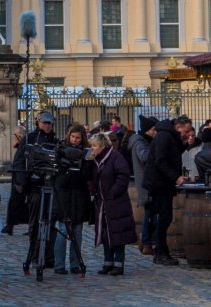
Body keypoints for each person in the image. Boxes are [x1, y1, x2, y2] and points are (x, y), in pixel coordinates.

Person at [10, 111, 59, 265]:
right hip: (35, 186)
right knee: (36, 223)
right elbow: (18, 161)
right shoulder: (30, 138)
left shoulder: (56, 141)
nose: (47, 125)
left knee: (51, 223)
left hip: (52, 186)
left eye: (49, 123)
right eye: (44, 123)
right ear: (38, 123)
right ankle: (35, 255)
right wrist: (22, 183)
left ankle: (49, 256)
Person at [143, 115, 191, 266]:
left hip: (163, 183)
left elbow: (172, 154)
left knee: (164, 218)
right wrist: (175, 177)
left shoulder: (169, 135)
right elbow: (161, 161)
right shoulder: (164, 136)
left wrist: (184, 145)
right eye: (186, 130)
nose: (187, 133)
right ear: (178, 127)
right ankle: (160, 252)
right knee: (164, 218)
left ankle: (161, 251)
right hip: (159, 184)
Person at [90, 131, 137, 275]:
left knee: (117, 233)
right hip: (103, 203)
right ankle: (108, 262)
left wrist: (112, 192)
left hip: (116, 202)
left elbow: (123, 176)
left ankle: (118, 264)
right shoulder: (97, 159)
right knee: (105, 233)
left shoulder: (115, 157)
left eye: (94, 146)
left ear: (101, 146)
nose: (92, 149)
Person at [52, 123, 94, 275]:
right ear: (69, 136)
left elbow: (88, 174)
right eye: (73, 137)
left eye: (78, 137)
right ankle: (59, 265)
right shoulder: (61, 149)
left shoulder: (86, 152)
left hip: (80, 194)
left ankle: (75, 264)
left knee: (78, 231)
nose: (75, 140)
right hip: (64, 195)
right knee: (63, 230)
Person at [130, 117, 156, 256]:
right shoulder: (140, 142)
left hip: (148, 182)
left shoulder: (145, 141)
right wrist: (155, 148)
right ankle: (145, 241)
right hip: (145, 183)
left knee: (152, 214)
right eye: (153, 129)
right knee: (150, 215)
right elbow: (144, 157)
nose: (154, 132)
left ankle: (145, 240)